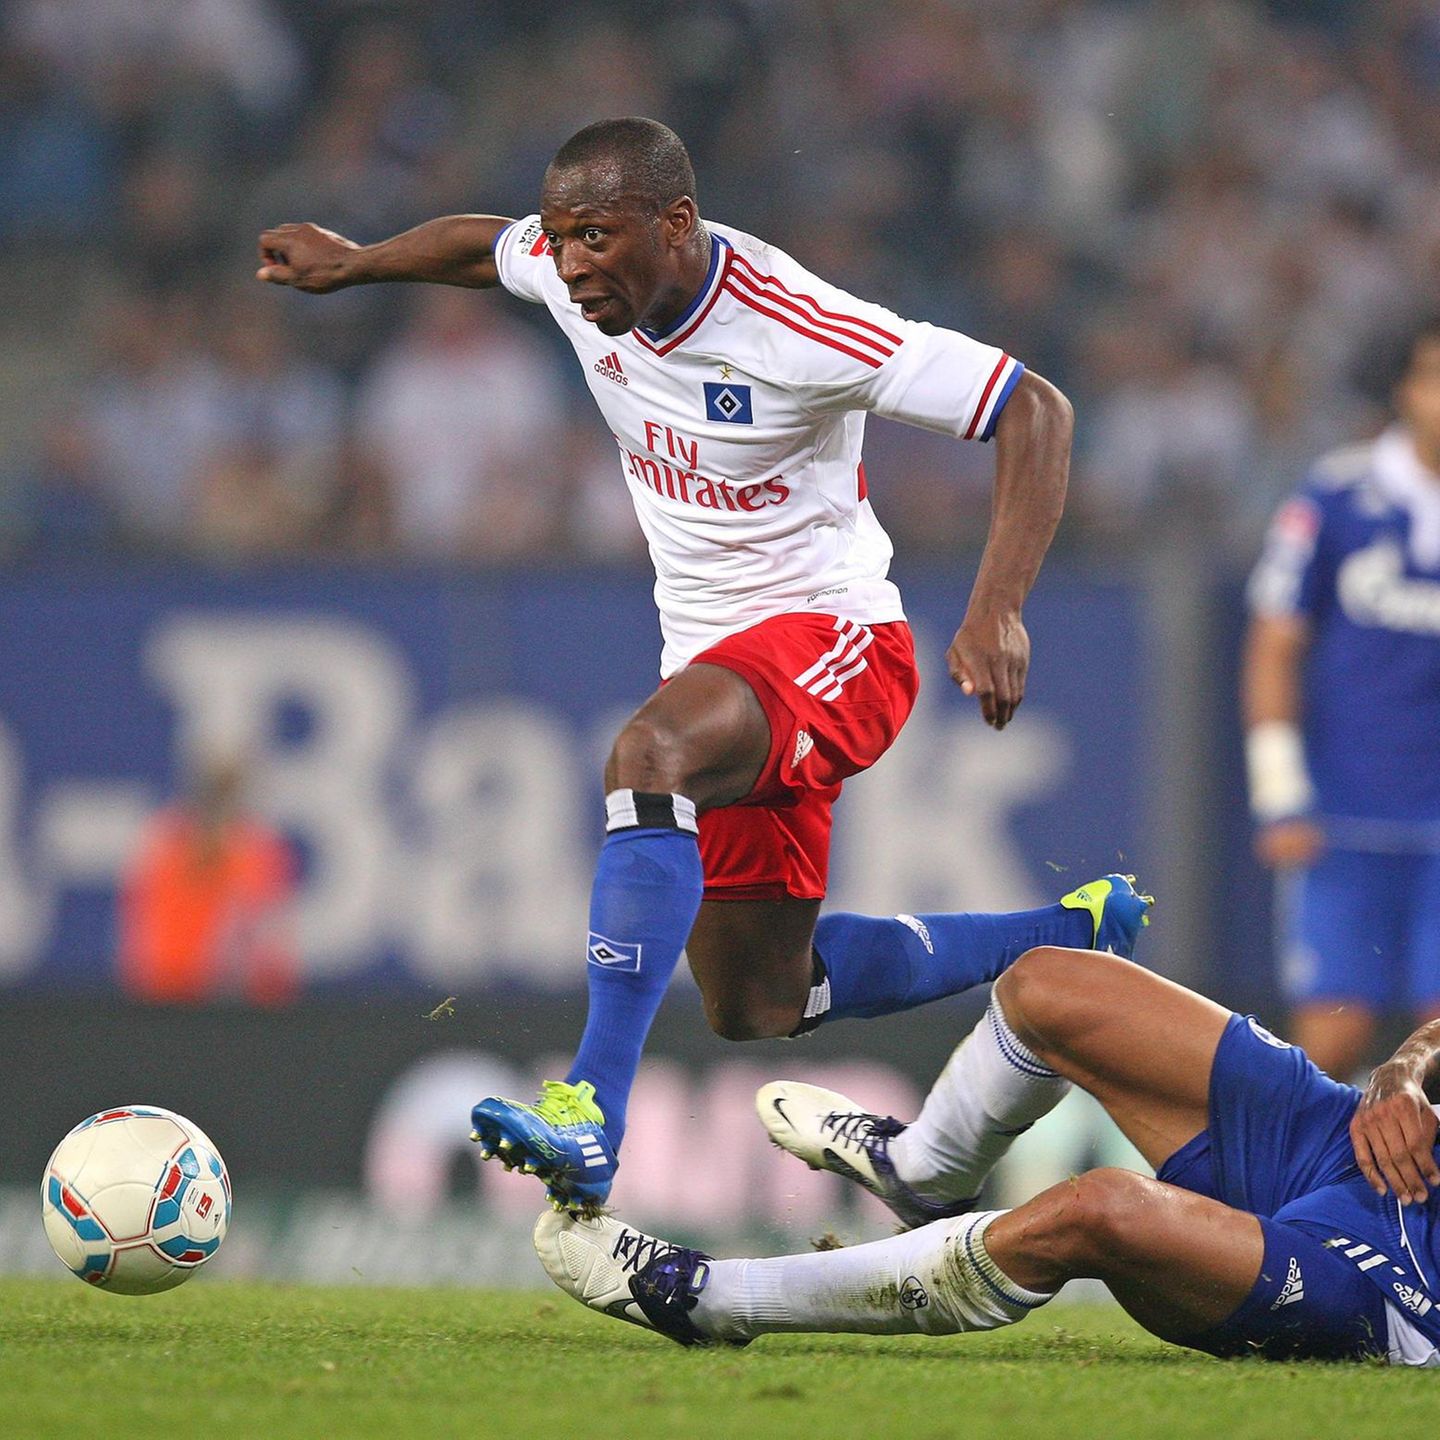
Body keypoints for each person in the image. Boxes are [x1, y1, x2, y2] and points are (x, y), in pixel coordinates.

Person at [257, 116, 1149, 1212]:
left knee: (646, 755)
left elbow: (1035, 408)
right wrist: (357, 261)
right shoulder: (569, 272)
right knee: (761, 1001)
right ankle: (1076, 931)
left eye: (595, 237)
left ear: (675, 224)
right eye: (562, 239)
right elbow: (478, 246)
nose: (573, 264)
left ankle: (588, 1113)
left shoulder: (796, 324)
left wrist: (998, 608)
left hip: (840, 646)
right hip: (721, 666)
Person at [536, 944, 1440, 1366]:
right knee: (1048, 986)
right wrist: (1407, 1067)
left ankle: (706, 1300)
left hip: (1391, 1292)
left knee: (1099, 1212)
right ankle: (921, 1173)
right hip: (1353, 1146)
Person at [1243, 319, 1440, 1079]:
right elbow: (1274, 640)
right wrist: (1279, 790)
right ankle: (1301, 1197)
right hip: (1344, 815)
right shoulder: (1337, 495)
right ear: (1405, 391)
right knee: (1333, 1035)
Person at [118, 755, 297, 1006]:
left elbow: (267, 933)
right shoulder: (168, 840)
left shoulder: (256, 849)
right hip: (169, 985)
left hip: (221, 993)